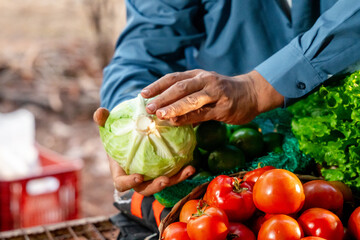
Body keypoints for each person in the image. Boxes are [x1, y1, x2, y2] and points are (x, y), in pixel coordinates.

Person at [100, 0, 360, 196]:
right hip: (238, 162)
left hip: (346, 153)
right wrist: (126, 122)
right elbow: (145, 45)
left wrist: (257, 88)